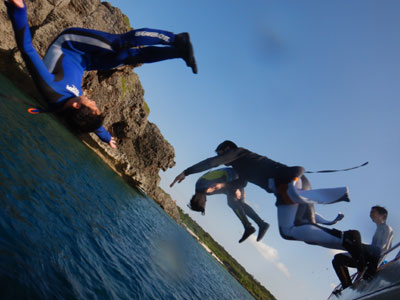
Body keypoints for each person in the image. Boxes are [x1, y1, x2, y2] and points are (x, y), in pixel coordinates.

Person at [5, 0, 197, 148]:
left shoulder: (50, 86)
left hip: (71, 44)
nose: (95, 103)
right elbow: (91, 122)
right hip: (87, 62)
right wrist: (107, 138)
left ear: (74, 104)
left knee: (119, 43)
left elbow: (26, 48)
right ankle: (179, 52)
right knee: (127, 57)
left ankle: (176, 39)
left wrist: (19, 9)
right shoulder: (75, 112)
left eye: (92, 105)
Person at [170, 140, 360, 253]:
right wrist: (234, 188)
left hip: (286, 181)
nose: (222, 158)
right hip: (291, 183)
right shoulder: (240, 166)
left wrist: (186, 171)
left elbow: (213, 164)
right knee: (306, 232)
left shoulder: (237, 154)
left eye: (222, 154)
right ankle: (356, 247)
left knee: (289, 231)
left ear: (228, 149)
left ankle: (347, 239)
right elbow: (241, 182)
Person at [188, 167, 269, 243]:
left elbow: (218, 184)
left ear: (196, 199)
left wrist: (235, 189)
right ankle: (260, 225)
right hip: (234, 178)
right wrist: (235, 191)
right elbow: (223, 190)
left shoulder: (201, 185)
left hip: (232, 174)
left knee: (232, 202)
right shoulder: (205, 192)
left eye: (203, 202)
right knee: (237, 202)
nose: (205, 201)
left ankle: (250, 227)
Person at [332, 206, 393, 290]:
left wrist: (368, 267)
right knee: (337, 259)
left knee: (354, 240)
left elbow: (380, 250)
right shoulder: (378, 230)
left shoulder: (386, 229)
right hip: (368, 258)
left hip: (372, 261)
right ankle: (347, 287)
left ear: (383, 215)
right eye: (370, 212)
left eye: (373, 212)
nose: (370, 214)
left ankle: (352, 283)